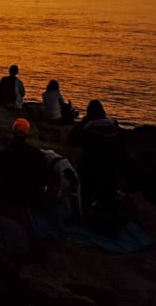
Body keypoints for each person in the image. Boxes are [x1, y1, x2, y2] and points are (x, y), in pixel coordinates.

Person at [68, 99, 127, 232]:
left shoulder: (89, 131)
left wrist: (83, 123)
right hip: (109, 176)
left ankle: (85, 214)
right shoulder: (115, 130)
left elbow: (71, 140)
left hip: (89, 175)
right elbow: (123, 155)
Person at [0, 118, 49, 208]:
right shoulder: (36, 154)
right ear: (27, 134)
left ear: (13, 132)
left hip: (9, 199)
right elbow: (43, 178)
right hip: (31, 199)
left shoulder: (2, 155)